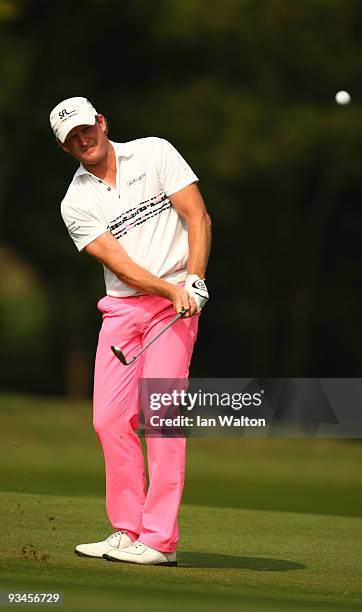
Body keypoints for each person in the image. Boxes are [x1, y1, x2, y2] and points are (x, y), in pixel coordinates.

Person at [49, 96, 212, 566]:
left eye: (86, 128)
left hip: (175, 307)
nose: (83, 139)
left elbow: (196, 215)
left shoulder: (155, 152)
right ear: (65, 148)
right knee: (109, 419)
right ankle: (128, 529)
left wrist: (193, 280)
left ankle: (160, 541)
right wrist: (168, 288)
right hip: (123, 310)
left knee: (161, 419)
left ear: (101, 122)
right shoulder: (75, 201)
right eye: (71, 138)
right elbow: (117, 262)